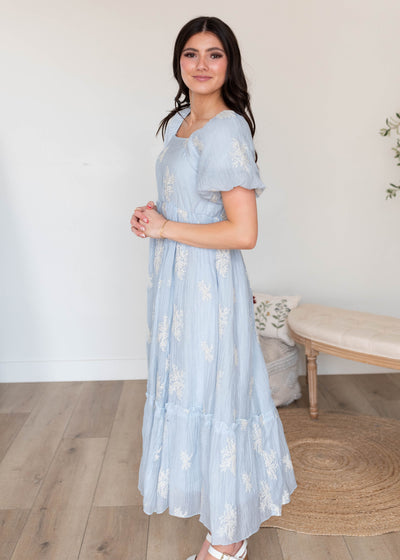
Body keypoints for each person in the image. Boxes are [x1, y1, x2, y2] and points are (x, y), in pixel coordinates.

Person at [130, 16, 297, 560]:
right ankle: (216, 505)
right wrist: (154, 214)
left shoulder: (226, 129)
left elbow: (243, 232)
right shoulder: (183, 119)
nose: (201, 65)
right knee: (190, 389)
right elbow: (192, 202)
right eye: (191, 54)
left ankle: (227, 538)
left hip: (206, 282)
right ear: (178, 61)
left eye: (214, 54)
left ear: (230, 63)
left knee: (215, 393)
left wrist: (166, 228)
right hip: (175, 278)